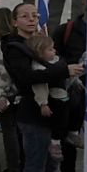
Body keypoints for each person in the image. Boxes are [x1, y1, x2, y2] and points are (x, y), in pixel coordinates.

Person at [3, 3, 82, 172]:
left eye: (34, 15)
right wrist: (65, 71)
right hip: (33, 113)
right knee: (35, 165)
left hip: (54, 114)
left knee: (50, 164)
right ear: (14, 21)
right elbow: (27, 77)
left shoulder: (39, 41)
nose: (31, 19)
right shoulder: (14, 47)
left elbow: (56, 63)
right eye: (25, 16)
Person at [51, 11, 87, 172]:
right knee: (69, 140)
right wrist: (70, 68)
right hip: (73, 94)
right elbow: (52, 56)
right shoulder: (67, 30)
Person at [25, 34, 75, 162]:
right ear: (40, 53)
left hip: (63, 92)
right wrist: (43, 103)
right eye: (50, 49)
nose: (54, 51)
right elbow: (40, 87)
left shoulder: (56, 60)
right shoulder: (39, 66)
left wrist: (76, 80)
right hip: (53, 97)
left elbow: (67, 74)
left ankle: (73, 131)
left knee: (75, 107)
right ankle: (55, 141)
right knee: (60, 117)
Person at [0, 8, 22, 172]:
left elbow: (3, 71)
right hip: (19, 92)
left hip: (7, 93)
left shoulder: (1, 42)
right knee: (17, 130)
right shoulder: (16, 40)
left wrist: (1, 95)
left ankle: (14, 169)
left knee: (9, 131)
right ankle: (20, 166)